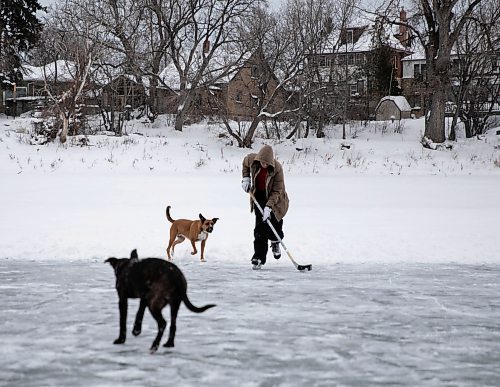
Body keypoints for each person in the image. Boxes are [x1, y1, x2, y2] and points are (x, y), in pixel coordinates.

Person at [241, 144, 289, 268]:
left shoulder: (277, 168)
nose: (264, 165)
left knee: (274, 225)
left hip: (276, 200)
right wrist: (246, 178)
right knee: (260, 228)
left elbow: (277, 191)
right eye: (262, 162)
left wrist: (269, 207)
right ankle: (258, 257)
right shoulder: (252, 159)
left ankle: (275, 241)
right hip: (259, 196)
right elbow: (245, 164)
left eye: (267, 163)